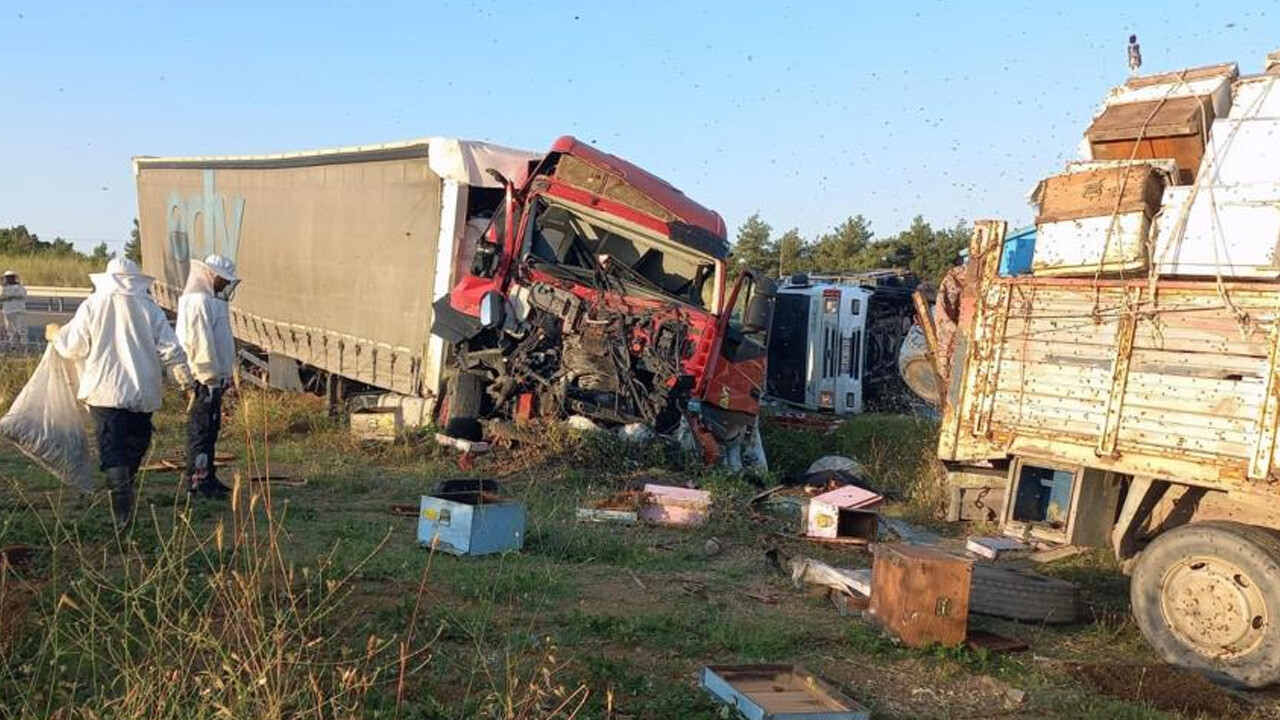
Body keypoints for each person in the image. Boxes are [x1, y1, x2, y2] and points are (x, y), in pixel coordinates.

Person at [52, 258, 193, 529]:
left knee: (113, 446)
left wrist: (58, 338)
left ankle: (122, 504)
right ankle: (123, 502)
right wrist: (185, 382)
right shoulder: (149, 307)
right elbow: (170, 348)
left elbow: (73, 346)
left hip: (104, 390)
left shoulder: (92, 305)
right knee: (136, 441)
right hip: (141, 389)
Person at [176, 255, 239, 499]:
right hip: (204, 380)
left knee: (210, 430)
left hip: (213, 379)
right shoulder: (197, 302)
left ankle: (208, 477)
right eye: (223, 280)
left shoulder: (209, 301)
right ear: (211, 276)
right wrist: (209, 377)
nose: (225, 285)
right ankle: (198, 481)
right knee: (200, 432)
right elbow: (199, 343)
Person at [1, 270, 27, 348]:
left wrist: (8, 297)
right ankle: (14, 346)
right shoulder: (5, 289)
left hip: (18, 311)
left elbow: (21, 297)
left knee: (21, 330)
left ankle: (23, 345)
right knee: (11, 330)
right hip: (8, 312)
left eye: (8, 278)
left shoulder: (20, 288)